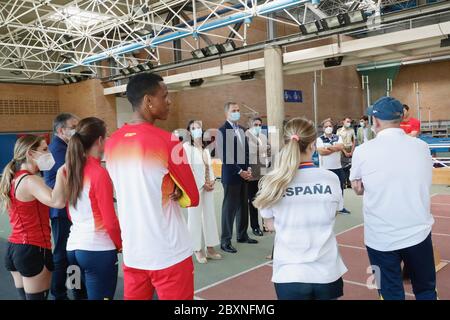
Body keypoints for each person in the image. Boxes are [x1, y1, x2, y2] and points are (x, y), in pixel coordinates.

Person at [104, 73, 199, 300]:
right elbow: (192, 198)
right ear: (148, 100)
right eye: (164, 96)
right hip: (169, 252)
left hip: (134, 252)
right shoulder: (169, 141)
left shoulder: (112, 142)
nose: (169, 101)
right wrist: (175, 189)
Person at [350, 96, 437, 300]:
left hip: (380, 238)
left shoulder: (363, 151)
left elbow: (357, 187)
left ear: (376, 121)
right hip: (419, 233)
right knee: (425, 290)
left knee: (389, 293)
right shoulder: (421, 146)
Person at [253, 117, 347, 300]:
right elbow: (332, 214)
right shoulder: (330, 179)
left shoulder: (273, 182)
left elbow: (270, 225)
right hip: (326, 272)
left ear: (285, 143)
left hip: (290, 273)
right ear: (313, 145)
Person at [0, 135, 67, 300]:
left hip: (14, 248)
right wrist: (60, 173)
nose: (48, 153)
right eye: (44, 149)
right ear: (30, 153)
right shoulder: (30, 180)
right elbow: (57, 202)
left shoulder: (14, 177)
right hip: (33, 249)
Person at [65, 117, 122, 300]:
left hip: (72, 249)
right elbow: (110, 221)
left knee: (78, 297)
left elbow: (69, 211)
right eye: (107, 137)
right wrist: (120, 244)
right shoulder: (99, 174)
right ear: (99, 141)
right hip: (96, 251)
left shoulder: (71, 169)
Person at [43, 113, 86, 300]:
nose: (78, 129)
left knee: (71, 254)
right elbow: (72, 174)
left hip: (68, 209)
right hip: (60, 211)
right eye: (74, 126)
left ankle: (76, 289)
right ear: (61, 130)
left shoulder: (66, 146)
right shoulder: (58, 149)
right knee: (62, 254)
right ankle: (59, 292)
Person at [217, 102, 258, 254]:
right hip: (231, 175)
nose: (237, 112)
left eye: (238, 110)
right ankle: (225, 241)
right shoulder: (222, 130)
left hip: (244, 175)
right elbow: (225, 156)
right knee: (229, 209)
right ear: (226, 113)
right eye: (234, 110)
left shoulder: (241, 130)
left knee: (243, 206)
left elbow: (245, 152)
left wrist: (247, 169)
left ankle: (242, 235)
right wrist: (239, 171)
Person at [183, 120, 222, 264]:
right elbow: (189, 170)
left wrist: (212, 181)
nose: (197, 130)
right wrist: (202, 184)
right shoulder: (187, 147)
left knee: (209, 216)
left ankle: (210, 248)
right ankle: (196, 249)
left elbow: (209, 167)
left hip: (208, 187)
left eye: (198, 127)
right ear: (189, 132)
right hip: (195, 188)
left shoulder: (205, 149)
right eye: (193, 128)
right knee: (194, 218)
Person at [316, 118, 351, 215]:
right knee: (326, 189)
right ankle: (326, 208)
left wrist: (327, 147)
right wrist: (334, 148)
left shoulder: (337, 137)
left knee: (339, 189)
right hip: (325, 169)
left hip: (338, 168)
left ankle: (340, 207)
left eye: (330, 126)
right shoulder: (319, 139)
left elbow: (341, 147)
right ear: (323, 128)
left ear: (333, 127)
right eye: (326, 126)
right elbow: (321, 152)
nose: (328, 128)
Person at [246, 117, 270, 237]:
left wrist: (266, 150)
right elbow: (250, 152)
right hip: (252, 175)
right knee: (253, 202)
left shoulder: (263, 137)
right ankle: (255, 226)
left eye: (260, 124)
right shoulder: (246, 136)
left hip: (263, 174)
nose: (258, 126)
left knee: (264, 200)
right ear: (250, 124)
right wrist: (263, 150)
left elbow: (269, 150)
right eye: (255, 124)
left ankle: (265, 223)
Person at [336, 117, 356, 188]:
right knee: (342, 167)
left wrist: (352, 151)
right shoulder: (339, 131)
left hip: (350, 149)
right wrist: (344, 152)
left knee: (350, 167)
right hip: (342, 149)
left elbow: (354, 141)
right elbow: (338, 142)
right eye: (347, 121)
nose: (349, 123)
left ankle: (349, 182)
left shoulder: (352, 130)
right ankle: (343, 182)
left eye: (350, 122)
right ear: (343, 122)